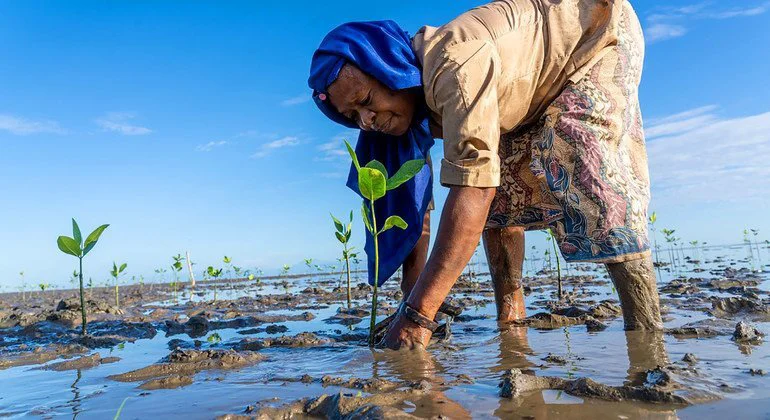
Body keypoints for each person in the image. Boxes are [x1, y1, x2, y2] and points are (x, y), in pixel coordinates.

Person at [308, 0, 662, 351]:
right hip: (523, 90)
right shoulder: (409, 109)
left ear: (389, 69)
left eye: (366, 99)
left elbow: (473, 190)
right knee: (503, 193)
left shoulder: (455, 68)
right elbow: (417, 203)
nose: (366, 121)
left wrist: (419, 315)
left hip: (592, 32)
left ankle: (647, 334)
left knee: (585, 164)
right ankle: (512, 323)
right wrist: (412, 294)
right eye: (352, 115)